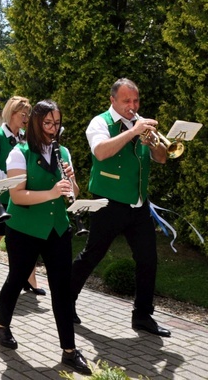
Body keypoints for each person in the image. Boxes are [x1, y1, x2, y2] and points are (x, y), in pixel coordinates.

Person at [0, 99, 92, 375]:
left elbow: (73, 193)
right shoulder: (19, 153)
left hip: (57, 228)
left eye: (57, 123)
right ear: (36, 123)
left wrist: (71, 181)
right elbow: (16, 194)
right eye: (48, 123)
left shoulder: (64, 152)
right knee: (17, 277)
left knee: (62, 288)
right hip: (23, 229)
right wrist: (51, 193)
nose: (53, 128)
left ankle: (70, 351)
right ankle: (1, 326)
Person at [71, 78, 171, 337]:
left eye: (136, 100)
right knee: (93, 254)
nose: (132, 105)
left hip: (138, 203)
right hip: (109, 201)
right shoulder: (100, 122)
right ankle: (65, 300)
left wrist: (154, 144)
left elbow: (162, 158)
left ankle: (142, 315)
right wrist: (133, 132)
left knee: (148, 259)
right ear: (112, 100)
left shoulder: (142, 127)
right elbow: (101, 152)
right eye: (127, 100)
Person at [0, 96, 45, 294]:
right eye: (22, 114)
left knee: (28, 234)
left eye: (28, 114)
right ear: (11, 113)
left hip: (22, 192)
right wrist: (8, 180)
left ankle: (30, 279)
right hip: (1, 194)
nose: (26, 118)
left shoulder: (26, 136)